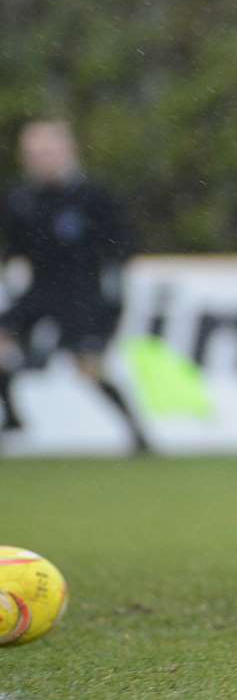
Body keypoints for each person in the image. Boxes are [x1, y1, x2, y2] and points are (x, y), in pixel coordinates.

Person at [0, 119, 151, 455]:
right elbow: (14, 249)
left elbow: (121, 245)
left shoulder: (94, 196)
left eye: (46, 152)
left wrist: (110, 292)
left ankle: (139, 435)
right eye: (32, 154)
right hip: (39, 290)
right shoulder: (21, 199)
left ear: (68, 151)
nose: (39, 160)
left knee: (88, 367)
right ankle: (13, 417)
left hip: (82, 292)